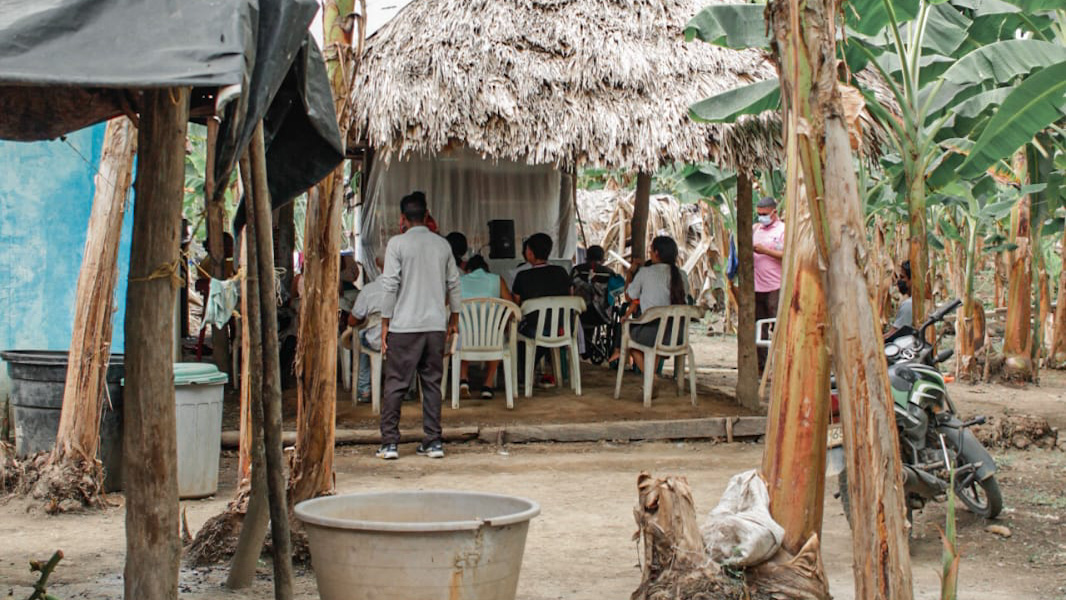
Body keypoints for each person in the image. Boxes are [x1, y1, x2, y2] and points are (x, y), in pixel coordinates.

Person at [377, 191, 461, 460]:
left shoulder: (397, 245)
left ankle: (390, 443)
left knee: (396, 385)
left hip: (404, 326)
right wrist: (454, 318)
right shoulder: (442, 246)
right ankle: (433, 441)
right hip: (435, 325)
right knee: (433, 384)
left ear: (402, 218)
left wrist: (385, 322)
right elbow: (454, 284)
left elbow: (389, 285)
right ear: (426, 216)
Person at [608, 236, 687, 373]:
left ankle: (650, 376)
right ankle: (651, 379)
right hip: (677, 335)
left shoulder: (645, 273)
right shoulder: (682, 275)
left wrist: (631, 273)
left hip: (651, 335)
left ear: (656, 253)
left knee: (627, 338)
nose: (649, 254)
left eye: (650, 251)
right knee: (643, 336)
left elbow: (628, 297)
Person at [511, 233, 571, 385]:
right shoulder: (561, 272)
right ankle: (543, 369)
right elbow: (571, 297)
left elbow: (515, 305)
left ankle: (524, 373)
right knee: (543, 332)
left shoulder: (522, 276)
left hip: (534, 330)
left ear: (529, 252)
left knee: (517, 332)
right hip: (561, 329)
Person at [457, 254, 514, 399]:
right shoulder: (497, 280)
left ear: (468, 270)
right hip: (491, 338)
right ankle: (487, 385)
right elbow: (512, 307)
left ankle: (463, 380)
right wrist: (503, 323)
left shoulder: (459, 281)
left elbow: (447, 305)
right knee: (497, 335)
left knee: (461, 333)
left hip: (465, 339)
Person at [753, 196, 785, 372]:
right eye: (758, 214)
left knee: (778, 327)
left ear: (774, 212)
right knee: (759, 328)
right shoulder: (755, 229)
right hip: (757, 287)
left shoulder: (782, 230)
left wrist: (765, 251)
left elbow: (788, 254)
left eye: (764, 214)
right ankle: (762, 367)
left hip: (775, 287)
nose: (761, 217)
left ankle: (781, 366)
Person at [349, 258, 387, 403]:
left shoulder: (369, 290)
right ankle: (408, 389)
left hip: (375, 342)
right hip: (399, 343)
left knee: (361, 338)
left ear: (378, 265)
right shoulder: (406, 289)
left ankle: (364, 389)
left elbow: (352, 320)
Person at [885, 260, 912, 339]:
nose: (898, 281)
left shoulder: (909, 305)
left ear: (912, 279)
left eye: (902, 277)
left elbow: (892, 335)